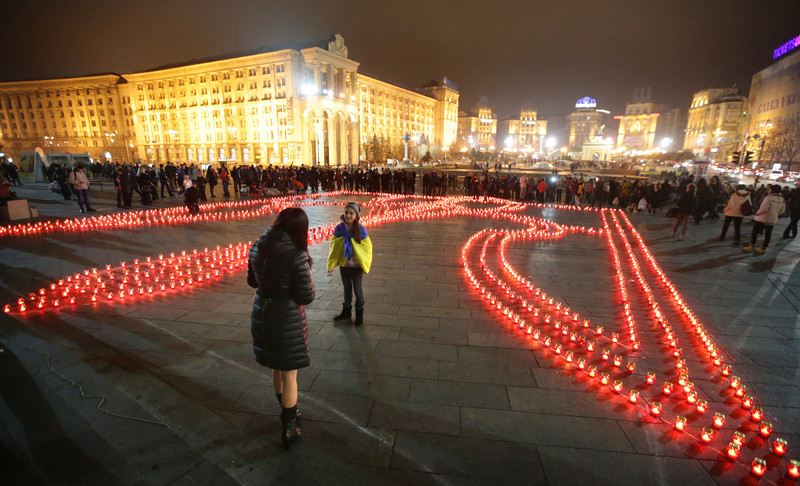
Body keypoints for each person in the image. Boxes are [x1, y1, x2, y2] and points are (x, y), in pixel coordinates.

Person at [246, 207, 315, 451]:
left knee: (277, 366)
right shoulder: (296, 255)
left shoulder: (257, 246)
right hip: (286, 316)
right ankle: (289, 425)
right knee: (290, 374)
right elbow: (306, 296)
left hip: (263, 310)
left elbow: (252, 281)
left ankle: (286, 408)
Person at [327, 202, 373, 326]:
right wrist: (331, 264)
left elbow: (367, 248)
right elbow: (334, 246)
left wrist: (365, 264)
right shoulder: (339, 228)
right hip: (345, 266)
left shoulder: (361, 229)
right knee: (347, 290)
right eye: (346, 213)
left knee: (358, 291)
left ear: (356, 215)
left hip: (357, 266)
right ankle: (346, 312)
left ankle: (359, 315)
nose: (348, 215)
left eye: (351, 213)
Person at [744, 184, 784, 254]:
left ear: (772, 190)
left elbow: (763, 209)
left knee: (755, 232)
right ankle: (763, 249)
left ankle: (752, 245)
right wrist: (775, 214)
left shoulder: (769, 198)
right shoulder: (781, 199)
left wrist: (757, 213)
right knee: (768, 234)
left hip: (763, 218)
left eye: (770, 189)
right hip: (772, 219)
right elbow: (782, 210)